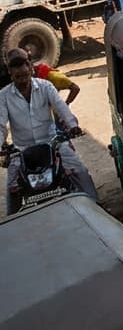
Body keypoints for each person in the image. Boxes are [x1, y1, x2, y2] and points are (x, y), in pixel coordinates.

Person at [0, 47, 96, 212]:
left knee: (79, 170)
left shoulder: (46, 87)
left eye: (24, 66)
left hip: (52, 143)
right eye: (16, 68)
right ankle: (12, 222)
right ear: (10, 71)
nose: (21, 72)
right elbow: (0, 125)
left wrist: (72, 126)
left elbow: (61, 107)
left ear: (31, 66)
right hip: (22, 150)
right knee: (12, 187)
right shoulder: (3, 96)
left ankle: (97, 209)